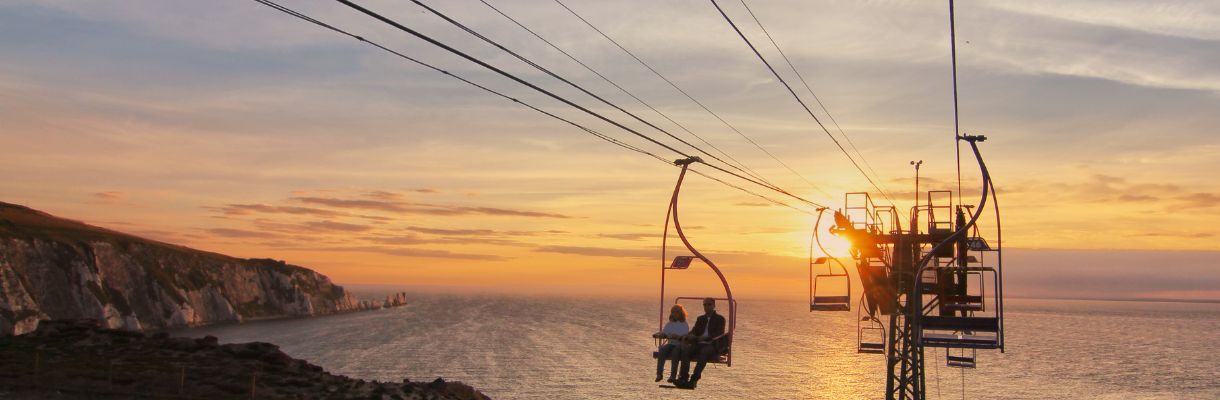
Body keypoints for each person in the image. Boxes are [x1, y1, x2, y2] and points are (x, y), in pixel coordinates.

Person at [674, 297, 727, 390]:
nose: (706, 307)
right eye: (705, 305)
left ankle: (694, 380)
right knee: (686, 351)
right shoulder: (700, 319)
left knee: (704, 352)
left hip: (712, 344)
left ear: (714, 305)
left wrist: (707, 337)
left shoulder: (720, 319)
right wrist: (689, 336)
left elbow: (719, 333)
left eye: (709, 304)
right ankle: (683, 378)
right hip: (699, 342)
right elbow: (695, 330)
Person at [652, 304, 689, 382]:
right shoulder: (670, 324)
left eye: (676, 312)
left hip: (679, 345)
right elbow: (664, 332)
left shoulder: (684, 324)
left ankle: (673, 376)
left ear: (681, 313)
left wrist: (675, 336)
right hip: (671, 344)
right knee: (662, 350)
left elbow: (684, 336)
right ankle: (659, 374)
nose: (674, 314)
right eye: (673, 312)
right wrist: (658, 335)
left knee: (675, 353)